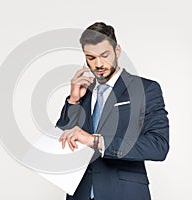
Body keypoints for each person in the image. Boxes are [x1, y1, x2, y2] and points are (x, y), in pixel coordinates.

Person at [56, 22, 169, 200]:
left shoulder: (145, 89)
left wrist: (95, 141)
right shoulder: (83, 92)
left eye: (104, 55)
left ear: (117, 51)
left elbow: (158, 146)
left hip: (124, 193)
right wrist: (73, 100)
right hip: (80, 194)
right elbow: (62, 141)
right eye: (91, 58)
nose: (98, 64)